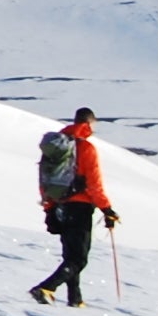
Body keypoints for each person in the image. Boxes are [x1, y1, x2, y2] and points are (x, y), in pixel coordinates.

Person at [32, 105, 117, 305]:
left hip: (59, 205)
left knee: (70, 255)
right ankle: (46, 288)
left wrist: (49, 209)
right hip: (80, 208)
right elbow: (94, 184)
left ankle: (75, 299)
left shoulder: (57, 147)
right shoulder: (86, 148)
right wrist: (107, 209)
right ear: (88, 123)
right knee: (79, 259)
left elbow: (44, 180)